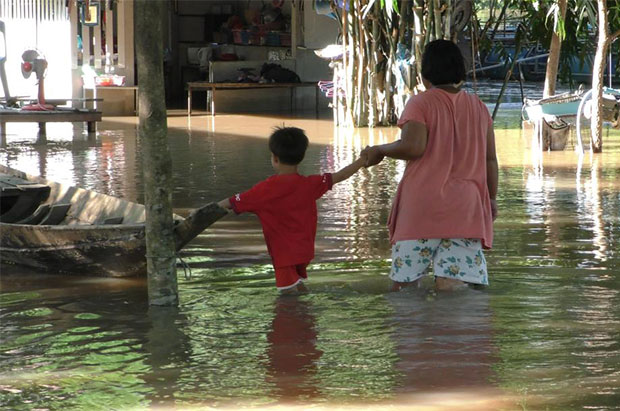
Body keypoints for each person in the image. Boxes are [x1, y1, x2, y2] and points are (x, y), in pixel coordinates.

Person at [362, 39, 499, 292]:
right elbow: (490, 160)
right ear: (460, 73)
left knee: (405, 288)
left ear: (426, 75)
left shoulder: (421, 103)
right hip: (466, 210)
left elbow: (414, 147)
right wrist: (490, 199)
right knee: (454, 290)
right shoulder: (479, 108)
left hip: (422, 209)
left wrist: (380, 149)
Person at [218, 126, 366, 292]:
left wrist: (198, 215)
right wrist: (362, 160)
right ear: (301, 157)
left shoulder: (263, 191)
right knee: (298, 290)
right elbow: (340, 175)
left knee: (287, 304)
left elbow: (230, 202)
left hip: (284, 257)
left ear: (274, 158)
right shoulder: (310, 184)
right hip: (304, 253)